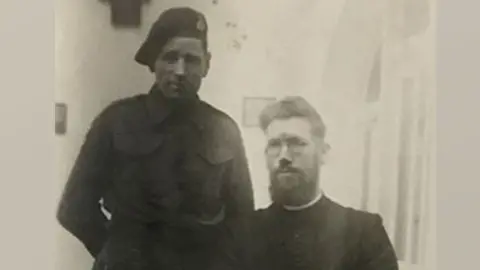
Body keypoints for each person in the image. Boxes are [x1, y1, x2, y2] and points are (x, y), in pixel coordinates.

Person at [56, 6, 254, 270]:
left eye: (192, 60)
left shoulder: (224, 130)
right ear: (154, 63)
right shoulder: (116, 121)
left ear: (207, 64)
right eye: (170, 58)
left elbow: (242, 220)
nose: (180, 71)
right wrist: (113, 252)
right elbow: (74, 207)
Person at [219, 96, 398, 270]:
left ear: (323, 153)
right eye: (274, 145)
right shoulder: (242, 235)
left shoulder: (364, 233)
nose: (283, 157)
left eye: (296, 143)